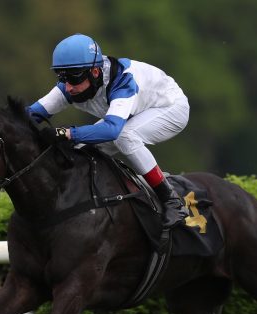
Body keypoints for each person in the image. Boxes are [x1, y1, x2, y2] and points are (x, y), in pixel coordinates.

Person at [28, 33, 189, 228]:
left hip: (169, 108)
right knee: (79, 151)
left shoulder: (122, 80)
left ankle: (171, 200)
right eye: (63, 77)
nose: (68, 87)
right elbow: (31, 115)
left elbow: (112, 130)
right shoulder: (73, 83)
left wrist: (66, 133)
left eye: (73, 78)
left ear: (95, 72)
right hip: (128, 114)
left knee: (125, 136)